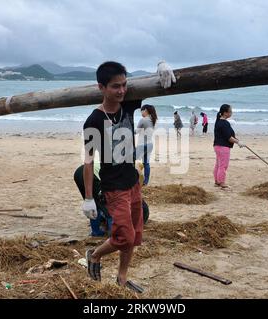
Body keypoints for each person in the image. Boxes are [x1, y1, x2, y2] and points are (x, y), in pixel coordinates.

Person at [81, 61, 175, 293]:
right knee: (124, 236)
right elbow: (89, 161)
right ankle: (94, 254)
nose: (122, 91)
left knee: (135, 235)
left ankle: (122, 278)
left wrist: (161, 65)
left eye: (124, 85)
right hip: (114, 187)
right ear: (101, 87)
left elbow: (157, 86)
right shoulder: (93, 121)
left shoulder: (128, 104)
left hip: (133, 182)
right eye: (115, 87)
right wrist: (89, 197)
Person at [213, 104, 245, 189]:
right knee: (223, 165)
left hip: (217, 146)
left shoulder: (219, 121)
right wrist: (238, 142)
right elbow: (229, 138)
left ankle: (217, 181)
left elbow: (229, 136)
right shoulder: (224, 123)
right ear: (225, 113)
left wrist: (238, 141)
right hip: (223, 147)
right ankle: (221, 182)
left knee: (218, 164)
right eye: (230, 111)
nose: (231, 113)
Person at [136, 104, 157, 186]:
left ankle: (134, 179)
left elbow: (136, 131)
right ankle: (145, 182)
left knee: (131, 160)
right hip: (150, 144)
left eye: (142, 110)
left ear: (146, 110)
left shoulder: (143, 120)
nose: (141, 112)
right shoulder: (153, 120)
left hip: (142, 145)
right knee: (146, 163)